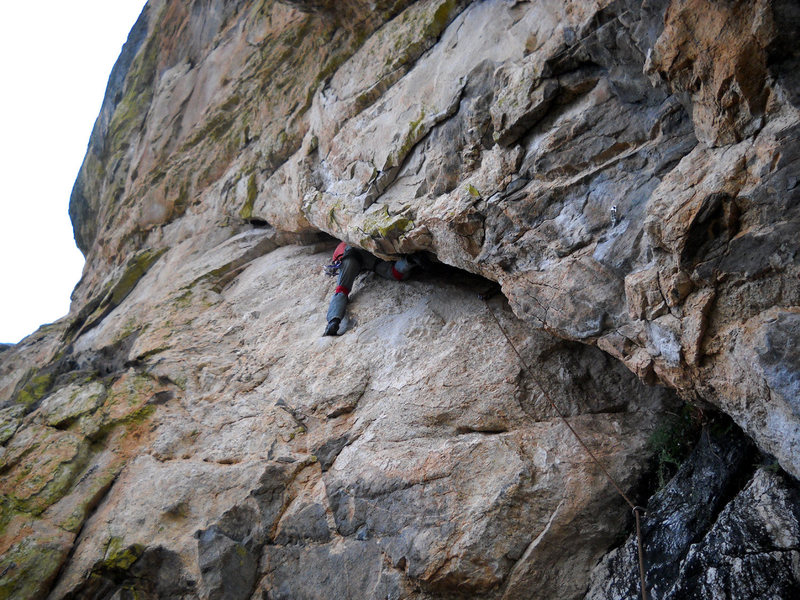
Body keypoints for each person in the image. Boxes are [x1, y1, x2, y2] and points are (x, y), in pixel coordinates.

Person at [323, 242, 415, 336]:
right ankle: (409, 261)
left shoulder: (340, 249)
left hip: (351, 256)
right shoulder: (345, 243)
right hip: (369, 253)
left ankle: (333, 321)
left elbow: (337, 264)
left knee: (342, 290)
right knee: (392, 272)